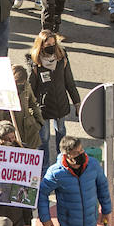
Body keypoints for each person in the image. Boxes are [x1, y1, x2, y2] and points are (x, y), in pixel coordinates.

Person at [26, 32, 79, 174]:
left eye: (53, 43)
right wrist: (29, 107)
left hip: (60, 104)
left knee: (61, 132)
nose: (51, 46)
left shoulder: (62, 58)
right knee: (43, 138)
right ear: (41, 44)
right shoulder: (35, 62)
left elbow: (70, 82)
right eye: (47, 44)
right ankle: (44, 170)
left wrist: (77, 103)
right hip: (43, 107)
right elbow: (31, 88)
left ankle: (63, 164)